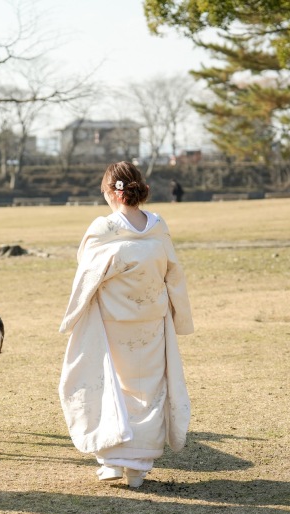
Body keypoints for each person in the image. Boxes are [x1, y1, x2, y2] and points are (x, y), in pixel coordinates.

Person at [58, 161, 193, 488]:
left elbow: (86, 273)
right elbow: (173, 273)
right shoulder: (158, 227)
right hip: (151, 322)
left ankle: (111, 460)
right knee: (147, 390)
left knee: (109, 384)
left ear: (111, 192)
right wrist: (180, 316)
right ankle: (138, 467)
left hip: (112, 323)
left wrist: (74, 314)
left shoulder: (104, 229)